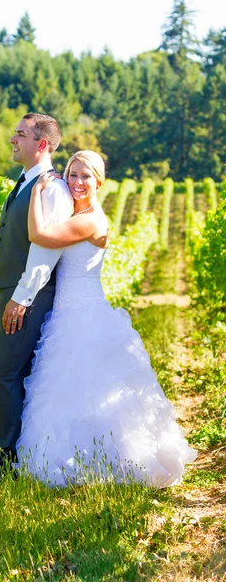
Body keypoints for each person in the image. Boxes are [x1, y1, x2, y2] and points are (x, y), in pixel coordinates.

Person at [15, 150, 197, 488]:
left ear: (99, 180)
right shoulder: (76, 212)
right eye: (72, 174)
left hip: (85, 312)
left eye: (85, 176)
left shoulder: (91, 220)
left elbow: (39, 236)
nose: (78, 182)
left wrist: (37, 193)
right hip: (65, 311)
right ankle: (78, 461)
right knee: (67, 389)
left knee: (95, 389)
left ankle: (109, 463)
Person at [0, 113, 73, 481]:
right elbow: (8, 240)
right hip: (8, 291)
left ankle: (6, 466)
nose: (12, 139)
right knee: (8, 375)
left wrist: (21, 297)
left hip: (25, 296)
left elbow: (43, 250)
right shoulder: (25, 182)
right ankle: (15, 460)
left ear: (42, 144)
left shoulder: (51, 188)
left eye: (21, 134)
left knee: (7, 376)